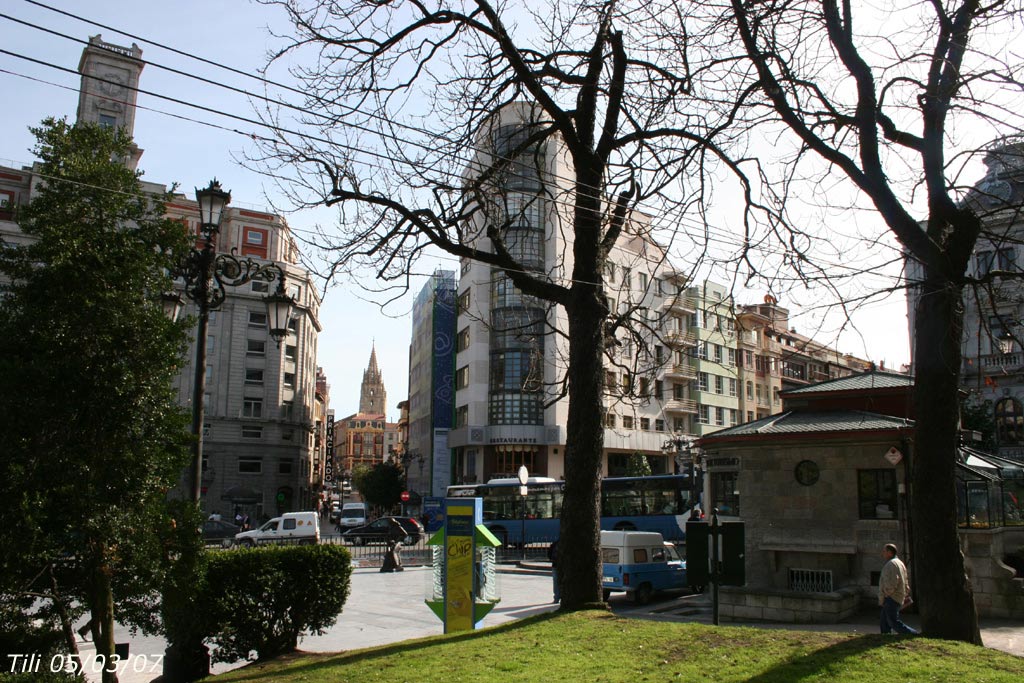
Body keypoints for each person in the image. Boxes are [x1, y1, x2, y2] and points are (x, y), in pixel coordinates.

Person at [878, 543, 919, 635]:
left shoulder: (891, 564)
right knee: (884, 621)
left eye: (884, 551)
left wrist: (887, 594)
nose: (882, 553)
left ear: (889, 552)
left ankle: (913, 634)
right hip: (895, 596)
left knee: (893, 621)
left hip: (892, 597)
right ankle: (885, 635)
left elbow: (892, 582)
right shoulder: (899, 563)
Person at [547, 539, 560, 604]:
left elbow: (549, 554)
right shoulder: (567, 544)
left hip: (555, 565)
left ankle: (556, 598)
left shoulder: (555, 543)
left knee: (556, 581)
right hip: (563, 565)